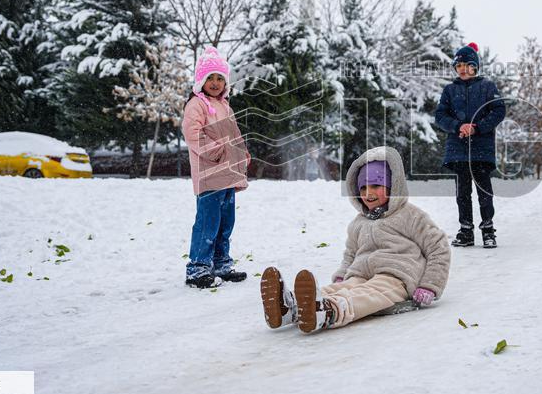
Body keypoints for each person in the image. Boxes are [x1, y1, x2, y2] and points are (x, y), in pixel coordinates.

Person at [259, 146, 451, 334]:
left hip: (397, 276)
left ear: (393, 185)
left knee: (369, 294)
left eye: (376, 185)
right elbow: (350, 253)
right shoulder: (358, 223)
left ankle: (329, 311)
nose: (368, 194)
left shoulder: (410, 215)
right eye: (363, 188)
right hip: (360, 274)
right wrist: (344, 273)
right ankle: (290, 307)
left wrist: (430, 285)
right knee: (343, 287)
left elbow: (438, 247)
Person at [181, 46, 250, 289]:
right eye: (210, 77)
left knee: (225, 221)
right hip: (209, 174)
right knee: (207, 221)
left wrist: (241, 154)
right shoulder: (196, 105)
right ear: (201, 80)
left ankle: (221, 262)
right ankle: (198, 267)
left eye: (220, 78)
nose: (215, 82)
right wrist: (217, 150)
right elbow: (192, 134)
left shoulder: (225, 106)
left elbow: (234, 134)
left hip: (228, 174)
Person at [433, 42, 506, 248]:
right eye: (459, 66)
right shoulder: (449, 90)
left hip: (481, 150)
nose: (462, 69)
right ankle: (466, 231)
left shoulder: (488, 87)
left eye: (467, 65)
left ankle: (488, 230)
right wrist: (458, 126)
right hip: (458, 150)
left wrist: (478, 127)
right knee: (462, 193)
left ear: (475, 66)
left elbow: (499, 111)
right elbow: (440, 116)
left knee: (484, 191)